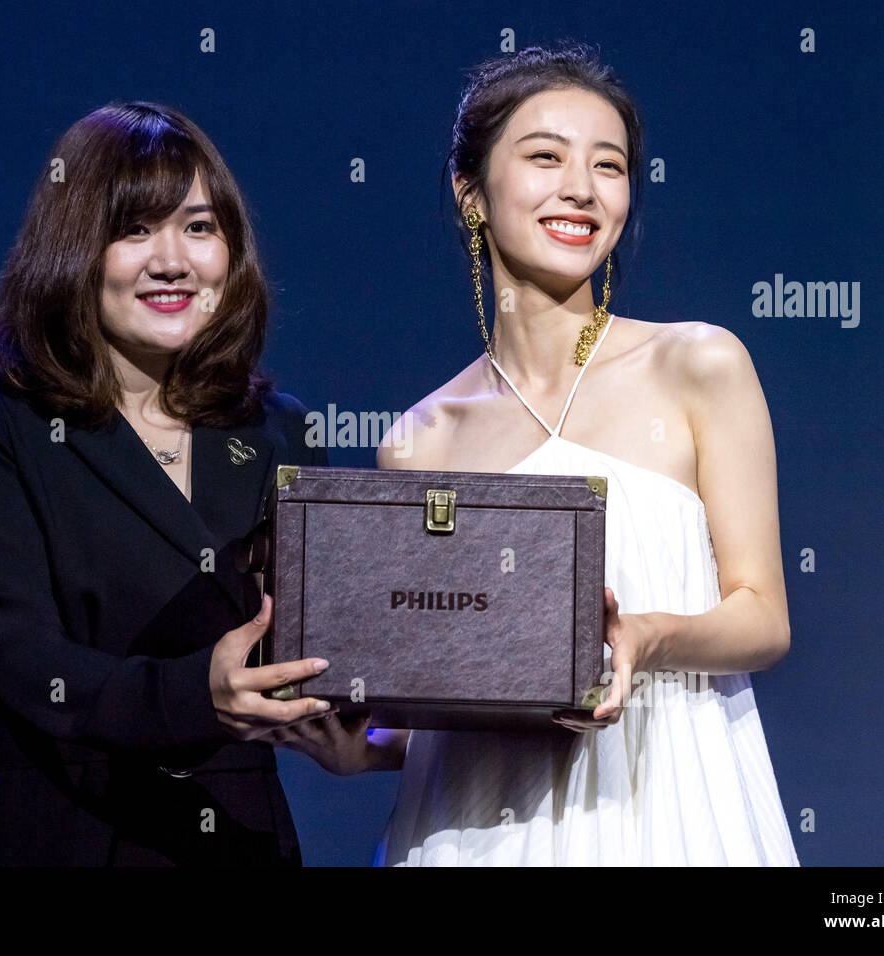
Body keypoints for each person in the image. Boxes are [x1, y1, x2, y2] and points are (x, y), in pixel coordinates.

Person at [365, 44, 801, 864]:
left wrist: (639, 638)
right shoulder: (421, 438)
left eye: (610, 165)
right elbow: (450, 686)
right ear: (471, 194)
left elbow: (763, 615)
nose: (582, 188)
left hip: (665, 795)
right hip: (474, 822)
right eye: (545, 157)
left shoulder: (696, 363)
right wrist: (365, 735)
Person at [0, 101, 335, 866]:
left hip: (237, 836)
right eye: (135, 229)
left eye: (199, 227)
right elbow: (27, 665)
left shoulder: (282, 431)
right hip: (68, 831)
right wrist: (194, 696)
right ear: (74, 248)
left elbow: (328, 642)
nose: (173, 260)